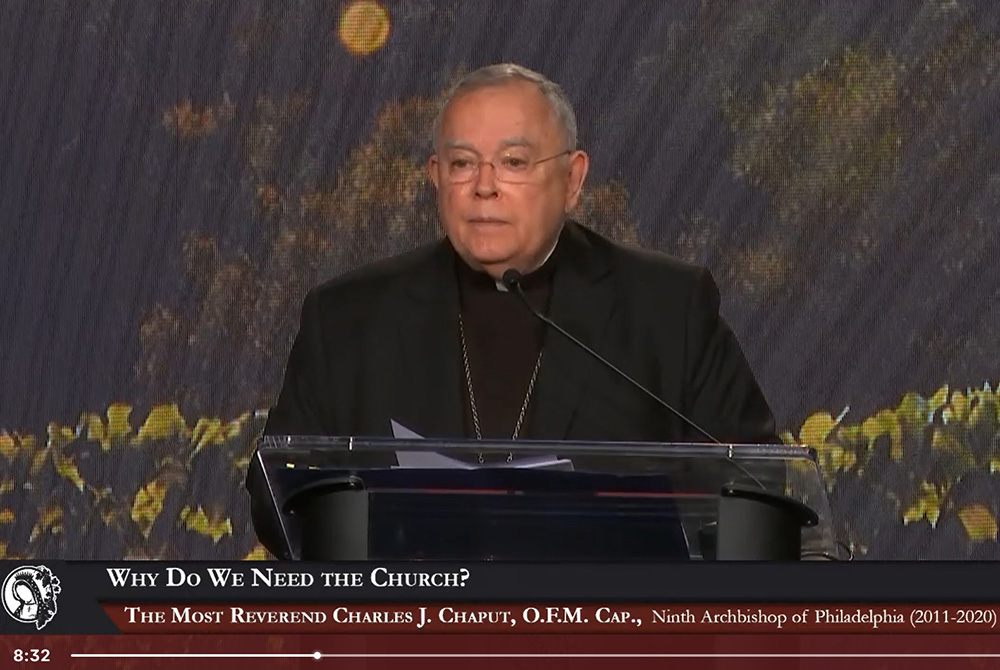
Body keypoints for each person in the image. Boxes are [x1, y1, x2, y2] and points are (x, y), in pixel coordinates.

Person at [261, 63, 777, 445]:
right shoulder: (348, 317)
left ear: (572, 179)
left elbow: (756, 484)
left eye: (513, 161)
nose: (484, 186)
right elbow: (280, 495)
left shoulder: (668, 309)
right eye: (462, 163)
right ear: (435, 178)